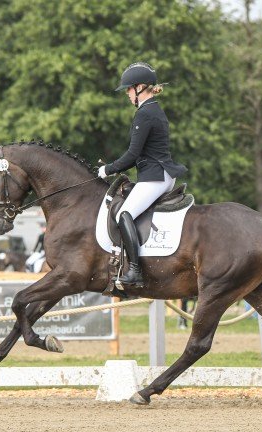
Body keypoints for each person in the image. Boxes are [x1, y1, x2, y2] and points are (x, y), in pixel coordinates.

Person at [97, 62, 187, 286]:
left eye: (128, 89)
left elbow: (132, 154)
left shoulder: (145, 113)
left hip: (155, 176)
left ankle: (135, 271)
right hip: (160, 174)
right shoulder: (152, 109)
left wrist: (108, 169)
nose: (127, 94)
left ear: (139, 88)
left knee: (123, 214)